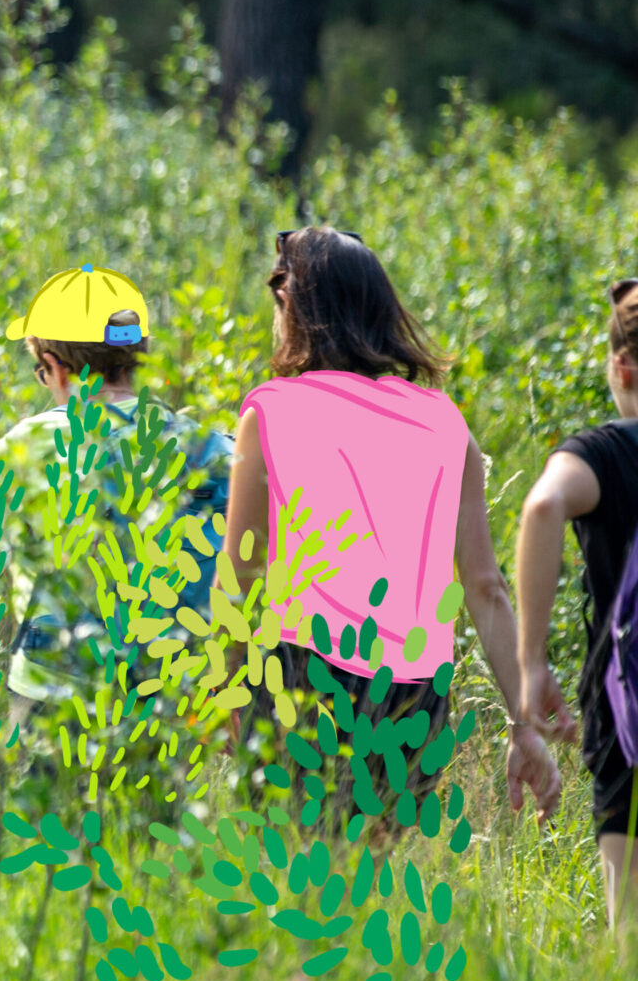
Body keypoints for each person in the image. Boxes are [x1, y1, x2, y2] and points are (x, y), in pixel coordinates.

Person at [223, 227, 560, 828]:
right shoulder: (444, 423)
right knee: (363, 879)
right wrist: (522, 724)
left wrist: (223, 689)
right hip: (413, 694)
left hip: (303, 674)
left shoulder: (272, 410)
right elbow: (485, 588)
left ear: (296, 309)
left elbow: (243, 574)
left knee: (290, 879)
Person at [0, 265, 231, 749]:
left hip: (55, 695)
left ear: (54, 366)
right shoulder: (205, 445)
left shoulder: (35, 443)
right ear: (138, 356)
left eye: (41, 372)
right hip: (171, 694)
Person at [515, 278, 638, 927]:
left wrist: (532, 660)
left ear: (621, 367)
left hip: (628, 717)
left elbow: (541, 506)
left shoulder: (609, 453)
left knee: (630, 932)